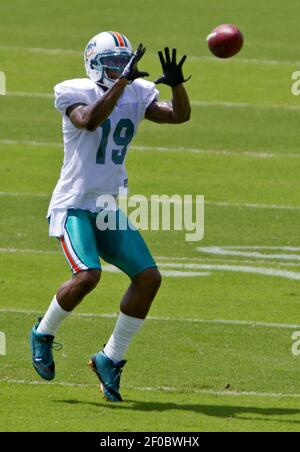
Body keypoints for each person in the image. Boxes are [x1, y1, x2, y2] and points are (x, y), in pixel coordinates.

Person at [30, 31, 191, 402]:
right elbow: (88, 119)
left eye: (124, 62)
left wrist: (178, 86)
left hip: (106, 205)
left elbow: (178, 115)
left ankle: (110, 358)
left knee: (149, 278)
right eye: (114, 64)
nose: (121, 70)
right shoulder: (75, 91)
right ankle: (43, 331)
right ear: (92, 64)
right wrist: (122, 81)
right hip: (73, 203)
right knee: (88, 275)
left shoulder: (135, 91)